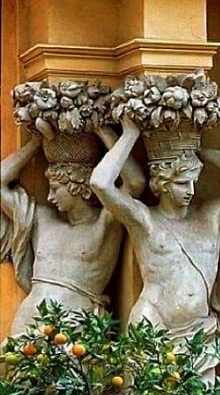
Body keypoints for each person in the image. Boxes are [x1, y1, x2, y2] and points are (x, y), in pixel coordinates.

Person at [89, 115, 220, 381]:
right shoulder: (144, 220)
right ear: (162, 183)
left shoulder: (211, 216)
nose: (191, 190)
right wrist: (129, 136)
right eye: (182, 183)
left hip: (199, 330)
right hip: (153, 322)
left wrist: (201, 153)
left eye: (193, 181)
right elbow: (101, 184)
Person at [1, 120, 144, 334]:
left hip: (75, 325)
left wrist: (109, 133)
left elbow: (135, 183)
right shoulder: (43, 219)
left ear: (76, 185)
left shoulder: (105, 223)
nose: (50, 197)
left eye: (55, 188)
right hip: (28, 322)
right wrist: (35, 144)